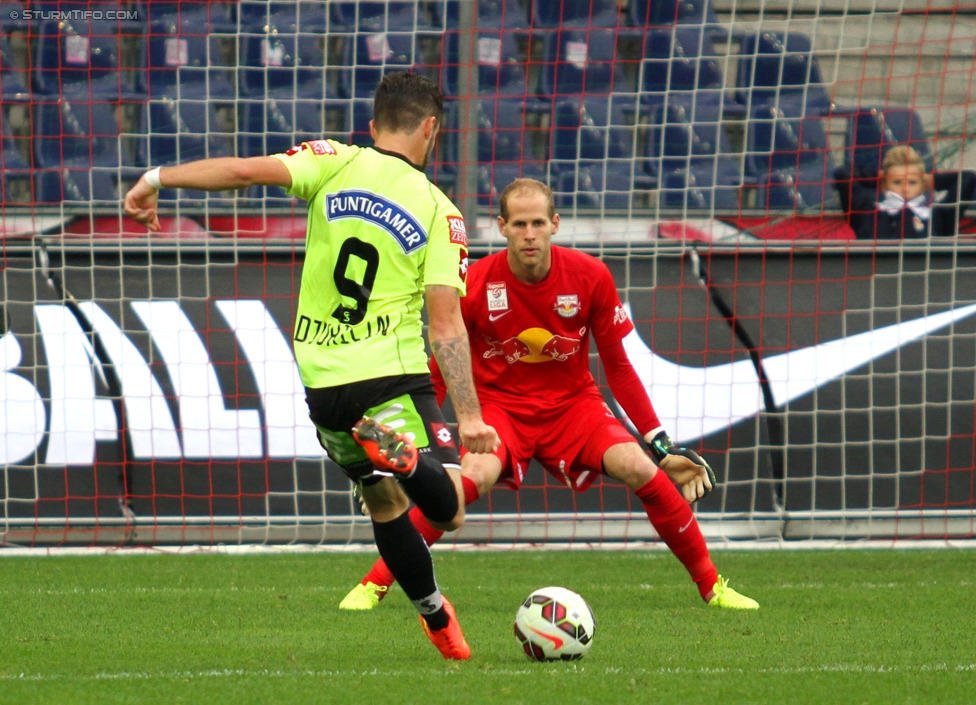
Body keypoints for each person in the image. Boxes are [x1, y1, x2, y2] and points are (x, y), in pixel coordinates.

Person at [123, 71, 499, 660]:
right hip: (390, 375)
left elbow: (244, 171)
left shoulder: (333, 160)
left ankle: (434, 615)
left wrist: (154, 179)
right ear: (431, 129)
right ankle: (396, 451)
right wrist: (470, 415)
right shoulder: (438, 210)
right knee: (448, 508)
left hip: (324, 384)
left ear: (373, 127)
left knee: (383, 503)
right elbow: (446, 324)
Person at [340, 178, 759, 612]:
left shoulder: (591, 275)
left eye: (538, 222)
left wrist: (659, 444)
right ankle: (375, 584)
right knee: (465, 484)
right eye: (519, 223)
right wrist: (419, 449)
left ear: (555, 224)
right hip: (500, 411)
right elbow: (441, 370)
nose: (529, 233)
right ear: (501, 226)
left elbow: (618, 366)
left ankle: (713, 587)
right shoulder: (475, 282)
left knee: (639, 467)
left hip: (573, 407)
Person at [834, 145, 976, 240]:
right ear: (884, 185)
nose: (905, 189)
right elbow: (844, 174)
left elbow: (968, 178)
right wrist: (881, 177)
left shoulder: (938, 216)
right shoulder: (866, 211)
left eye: (912, 182)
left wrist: (931, 180)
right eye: (897, 182)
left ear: (923, 185)